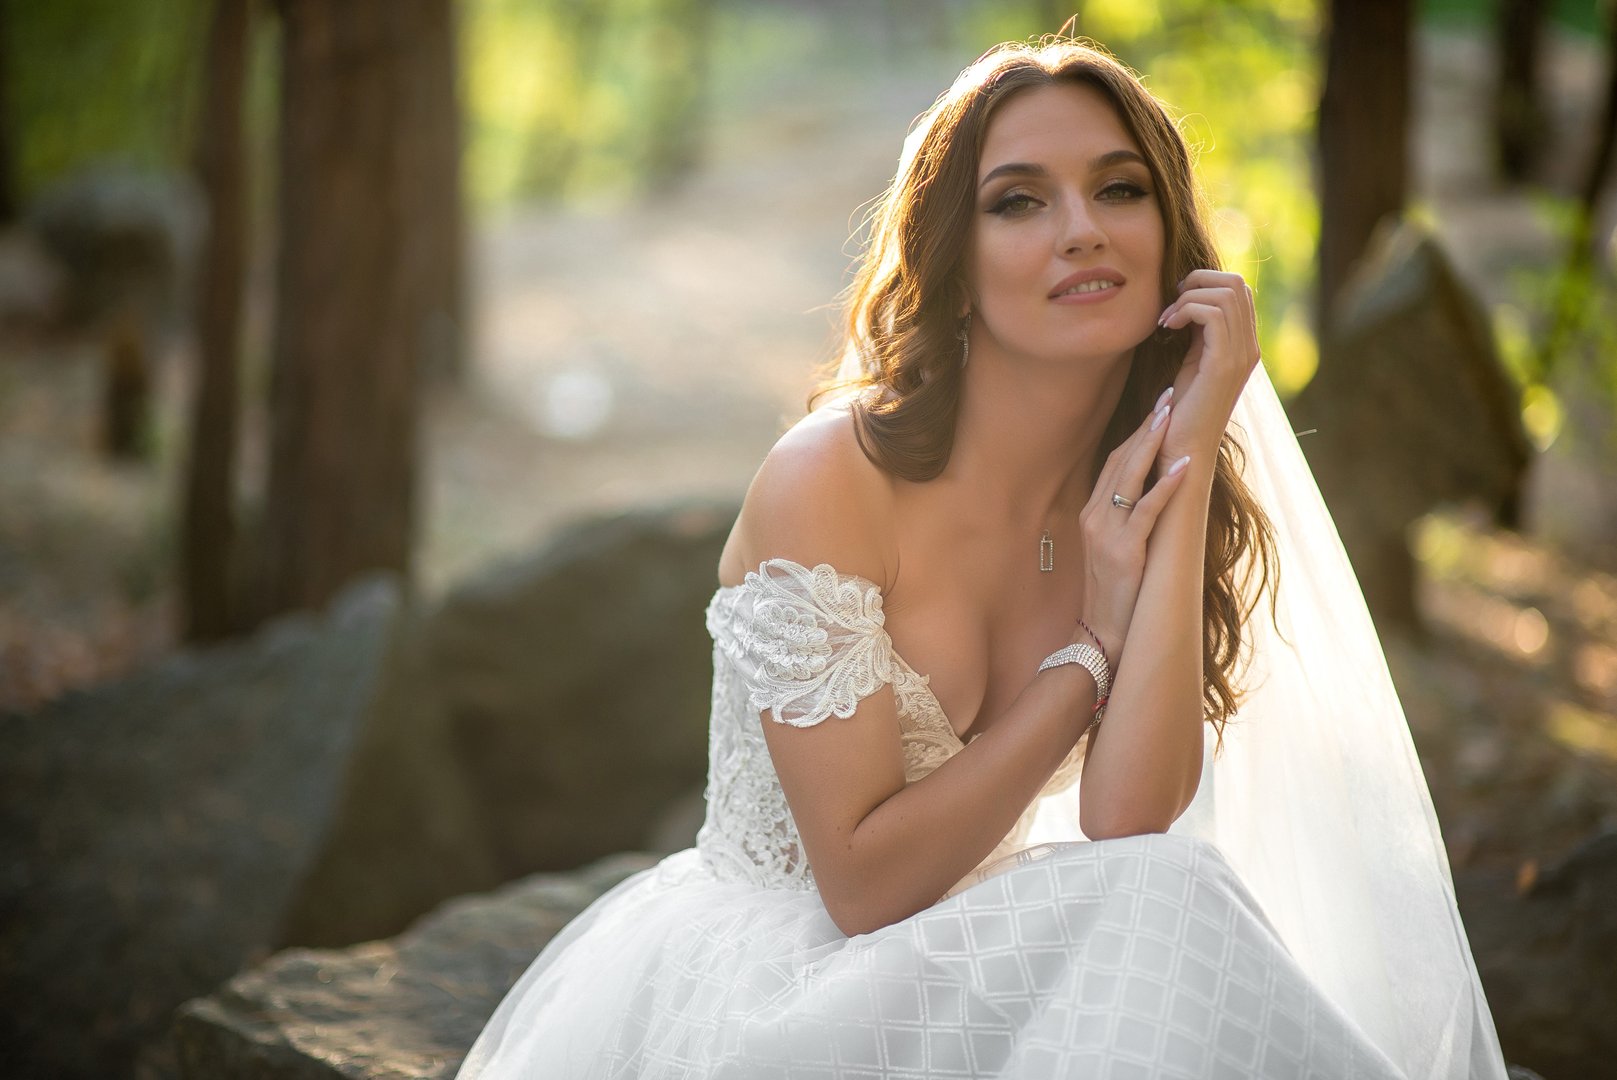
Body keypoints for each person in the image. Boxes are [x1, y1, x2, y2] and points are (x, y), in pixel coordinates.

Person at [458, 37, 1509, 1079]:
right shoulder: (833, 479)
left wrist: (1190, 458)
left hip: (973, 974)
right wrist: (1091, 651)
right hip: (787, 989)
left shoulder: (1138, 487)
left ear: (1170, 238)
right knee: (1163, 904)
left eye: (1119, 189)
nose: (1082, 231)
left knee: (1167, 893)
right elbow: (863, 889)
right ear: (953, 267)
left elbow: (1131, 814)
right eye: (1019, 202)